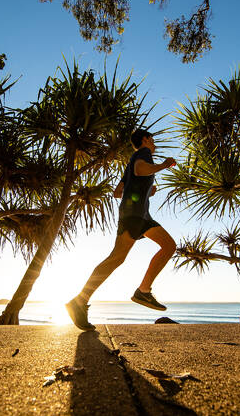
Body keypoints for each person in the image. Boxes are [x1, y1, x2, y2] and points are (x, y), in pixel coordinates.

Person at [66, 129, 177, 331]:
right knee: (116, 258)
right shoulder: (143, 154)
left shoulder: (132, 161)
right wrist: (163, 165)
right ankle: (80, 301)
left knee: (166, 246)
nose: (154, 143)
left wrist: (144, 192)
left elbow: (118, 192)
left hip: (139, 214)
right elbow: (141, 169)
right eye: (151, 139)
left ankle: (142, 291)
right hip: (135, 215)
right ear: (145, 140)